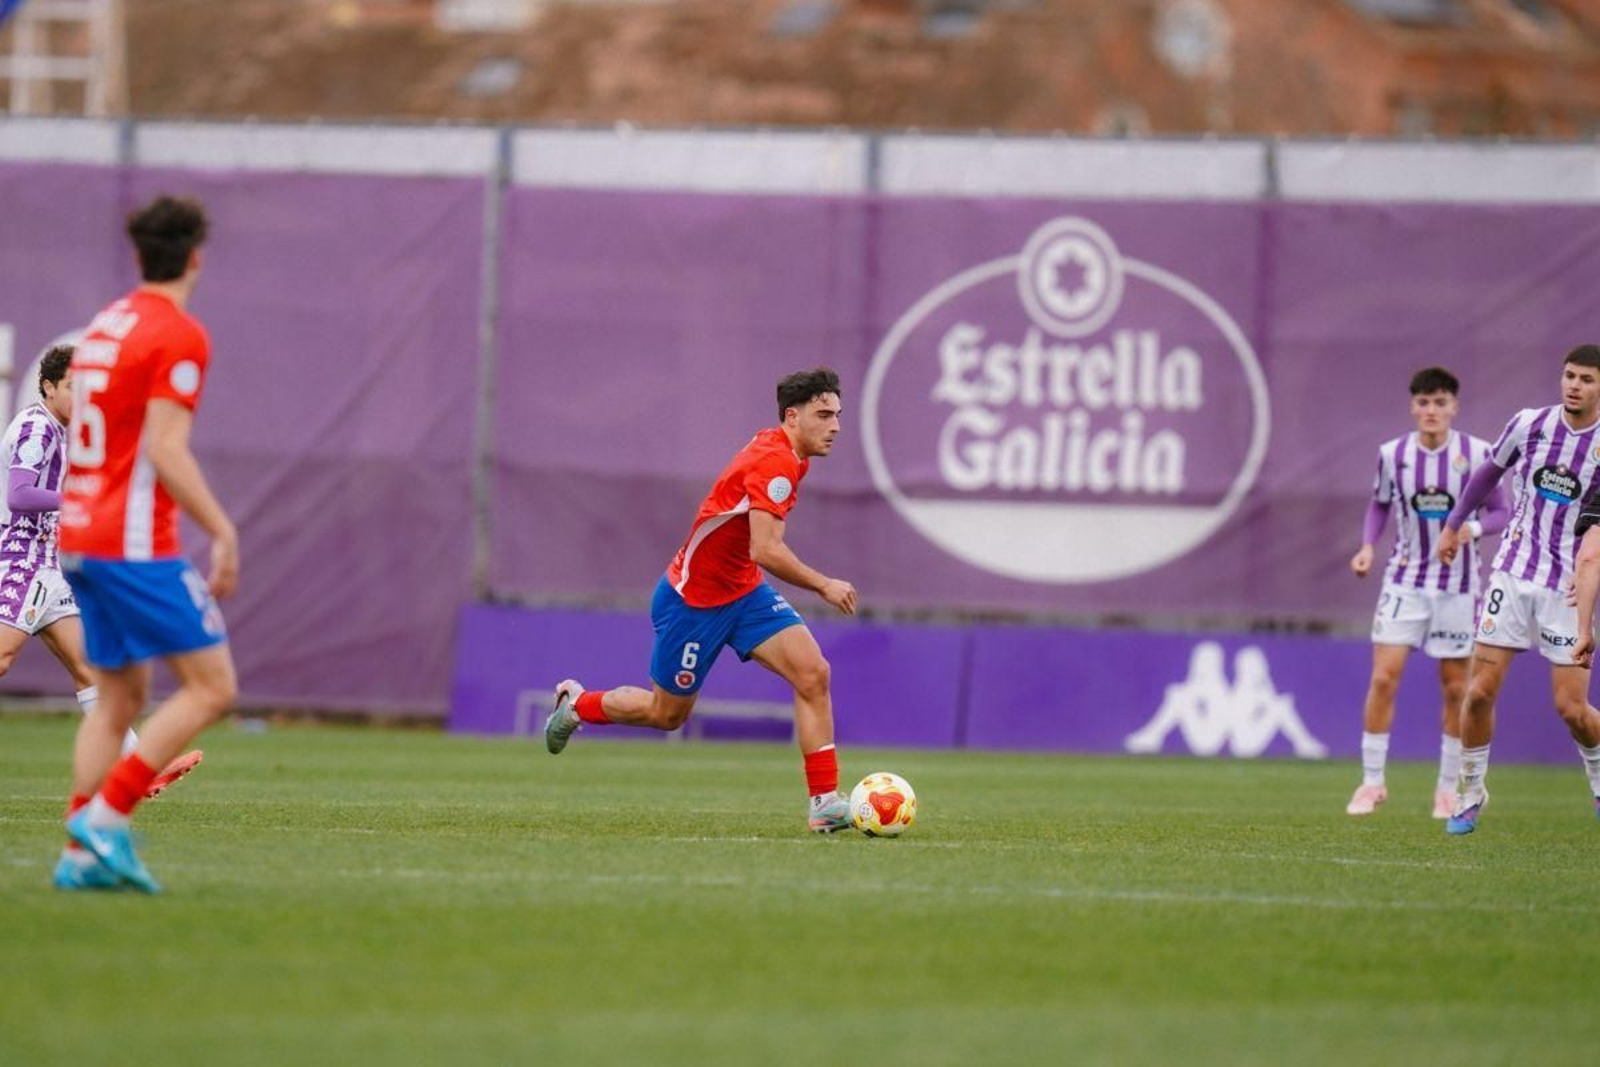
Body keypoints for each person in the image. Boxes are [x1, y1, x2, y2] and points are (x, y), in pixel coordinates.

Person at [543, 367, 860, 833]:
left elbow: (749, 552)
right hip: (693, 603)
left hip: (744, 592)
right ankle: (577, 704)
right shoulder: (777, 464)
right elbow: (765, 549)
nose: (835, 426)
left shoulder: (788, 452)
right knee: (665, 714)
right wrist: (824, 584)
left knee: (813, 673)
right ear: (793, 417)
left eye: (837, 415)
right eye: (823, 414)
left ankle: (825, 803)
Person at [55, 195, 240, 892]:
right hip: (131, 542)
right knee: (212, 686)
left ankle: (78, 858)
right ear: (196, 256)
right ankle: (104, 819)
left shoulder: (105, 325)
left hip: (79, 532)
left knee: (117, 699)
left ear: (138, 256)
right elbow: (166, 448)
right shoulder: (179, 333)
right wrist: (222, 528)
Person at [3, 344, 203, 811]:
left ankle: (138, 768)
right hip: (20, 558)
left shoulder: (59, 430)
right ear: (49, 386)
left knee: (89, 669)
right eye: (72, 386)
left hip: (48, 565)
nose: (81, 396)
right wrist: (79, 500)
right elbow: (19, 495)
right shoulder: (37, 426)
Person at [1434, 344, 1600, 834]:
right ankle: (1469, 792)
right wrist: (1453, 524)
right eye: (1569, 375)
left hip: (1567, 590)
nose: (1574, 385)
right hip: (1512, 573)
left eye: (1587, 379)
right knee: (1479, 690)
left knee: (1572, 710)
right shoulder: (1530, 424)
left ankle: (1596, 775)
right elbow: (1488, 472)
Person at [1346, 367, 1507, 818]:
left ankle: (1445, 789)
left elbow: (1502, 513)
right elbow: (1379, 503)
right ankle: (1372, 783)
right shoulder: (1392, 454)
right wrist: (1366, 548)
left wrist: (1467, 530)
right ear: (1412, 407)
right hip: (1404, 580)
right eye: (1423, 403)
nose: (1431, 411)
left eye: (1440, 403)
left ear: (1454, 407)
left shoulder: (1478, 454)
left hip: (1458, 587)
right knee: (1383, 677)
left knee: (1456, 688)